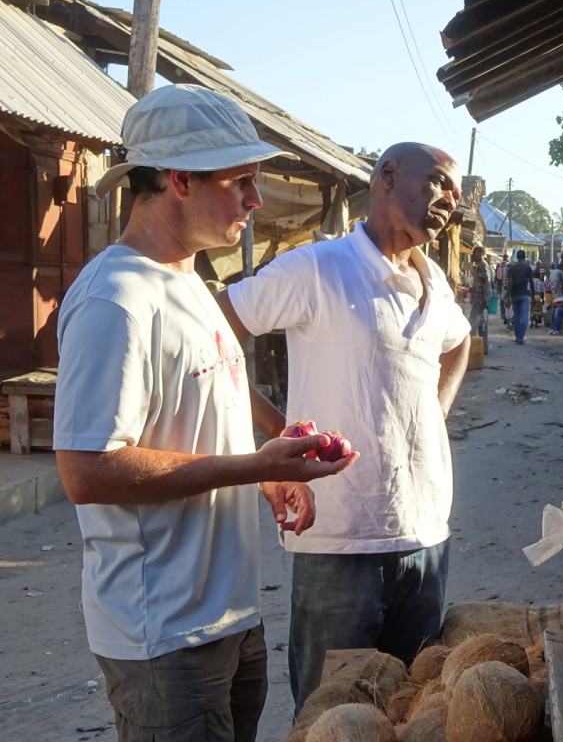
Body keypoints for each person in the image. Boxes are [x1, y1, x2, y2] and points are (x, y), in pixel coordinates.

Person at [52, 84, 356, 742]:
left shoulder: (190, 279)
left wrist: (270, 472)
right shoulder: (116, 299)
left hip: (228, 612)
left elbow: (203, 405)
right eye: (241, 180)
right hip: (161, 631)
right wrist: (250, 465)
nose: (257, 199)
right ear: (182, 180)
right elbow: (86, 468)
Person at [217, 142, 471, 716]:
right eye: (437, 183)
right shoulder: (318, 268)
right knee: (331, 715)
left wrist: (434, 409)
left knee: (410, 708)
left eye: (455, 193)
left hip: (427, 533)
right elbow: (214, 329)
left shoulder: (434, 284)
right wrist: (278, 431)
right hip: (340, 540)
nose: (448, 201)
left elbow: (457, 343)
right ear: (387, 176)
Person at [505, 249, 534, 345]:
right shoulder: (528, 268)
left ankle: (518, 337)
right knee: (525, 317)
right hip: (525, 294)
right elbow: (531, 282)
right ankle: (521, 337)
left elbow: (509, 283)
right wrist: (533, 294)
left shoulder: (512, 269)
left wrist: (508, 296)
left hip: (514, 295)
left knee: (516, 315)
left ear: (517, 257)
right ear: (525, 257)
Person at [468, 245, 492, 353]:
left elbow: (487, 281)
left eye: (475, 253)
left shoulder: (483, 265)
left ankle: (472, 347)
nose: (473, 255)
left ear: (481, 254)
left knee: (473, 323)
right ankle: (483, 348)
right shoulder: (479, 265)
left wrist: (485, 298)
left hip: (480, 300)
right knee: (482, 324)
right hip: (479, 299)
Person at [494, 253, 510, 324]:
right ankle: (507, 314)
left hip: (500, 284)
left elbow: (496, 275)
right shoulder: (509, 265)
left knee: (501, 299)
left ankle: (503, 313)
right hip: (507, 284)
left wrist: (495, 284)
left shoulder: (499, 265)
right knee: (507, 299)